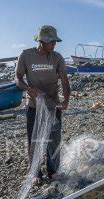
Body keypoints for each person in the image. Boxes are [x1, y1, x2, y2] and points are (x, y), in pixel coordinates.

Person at [15, 25, 70, 185]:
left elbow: (65, 80)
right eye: (51, 42)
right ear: (42, 41)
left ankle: (53, 171)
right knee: (35, 139)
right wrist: (29, 89)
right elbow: (18, 78)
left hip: (53, 104)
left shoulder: (57, 57)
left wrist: (66, 99)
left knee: (54, 139)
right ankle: (35, 173)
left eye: (55, 41)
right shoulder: (26, 55)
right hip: (34, 105)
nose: (54, 45)